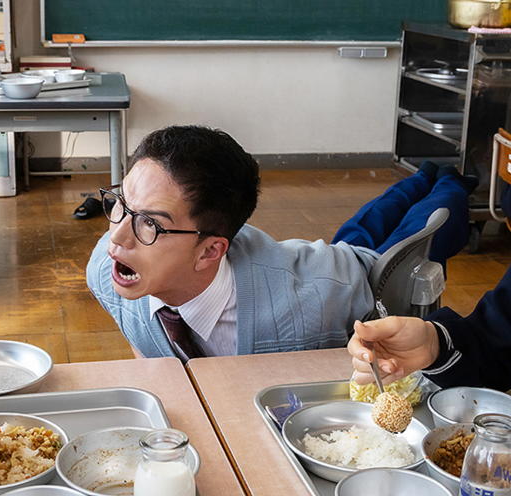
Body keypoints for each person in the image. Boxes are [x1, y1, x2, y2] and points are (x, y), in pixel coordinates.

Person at [87, 126, 476, 361]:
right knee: (373, 217)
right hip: (320, 258)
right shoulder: (106, 271)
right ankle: (423, 174)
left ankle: (450, 177)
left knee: (427, 218)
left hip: (357, 273)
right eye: (121, 204)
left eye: (150, 224)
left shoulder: (313, 304)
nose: (116, 237)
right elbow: (146, 342)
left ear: (210, 251)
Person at [348, 187, 511, 392]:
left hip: (362, 264)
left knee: (384, 213)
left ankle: (443, 180)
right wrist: (436, 344)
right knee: (384, 212)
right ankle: (439, 178)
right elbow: (496, 345)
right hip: (353, 257)